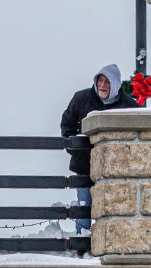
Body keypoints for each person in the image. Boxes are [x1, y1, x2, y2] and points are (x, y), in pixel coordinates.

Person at [60, 64, 139, 234]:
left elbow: (138, 133)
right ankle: (82, 244)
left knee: (115, 207)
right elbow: (67, 124)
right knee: (85, 205)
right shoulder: (81, 98)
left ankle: (114, 242)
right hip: (84, 166)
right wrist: (76, 149)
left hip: (117, 170)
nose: (102, 85)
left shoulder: (129, 104)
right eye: (100, 80)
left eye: (107, 82)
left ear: (116, 84)